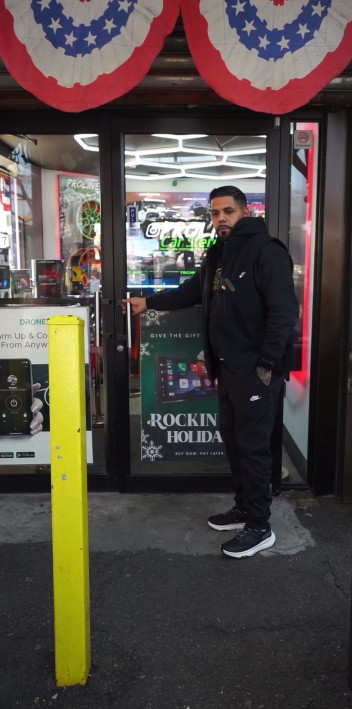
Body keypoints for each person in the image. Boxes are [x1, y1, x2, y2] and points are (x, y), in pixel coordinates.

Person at [122, 186, 298, 559]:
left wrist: (266, 365)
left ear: (245, 211)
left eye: (227, 211)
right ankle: (244, 508)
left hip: (255, 372)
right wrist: (148, 302)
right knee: (234, 443)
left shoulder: (268, 252)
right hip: (227, 369)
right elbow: (192, 291)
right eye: (215, 213)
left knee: (254, 449)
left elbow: (284, 314)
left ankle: (260, 527)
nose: (220, 219)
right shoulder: (218, 253)